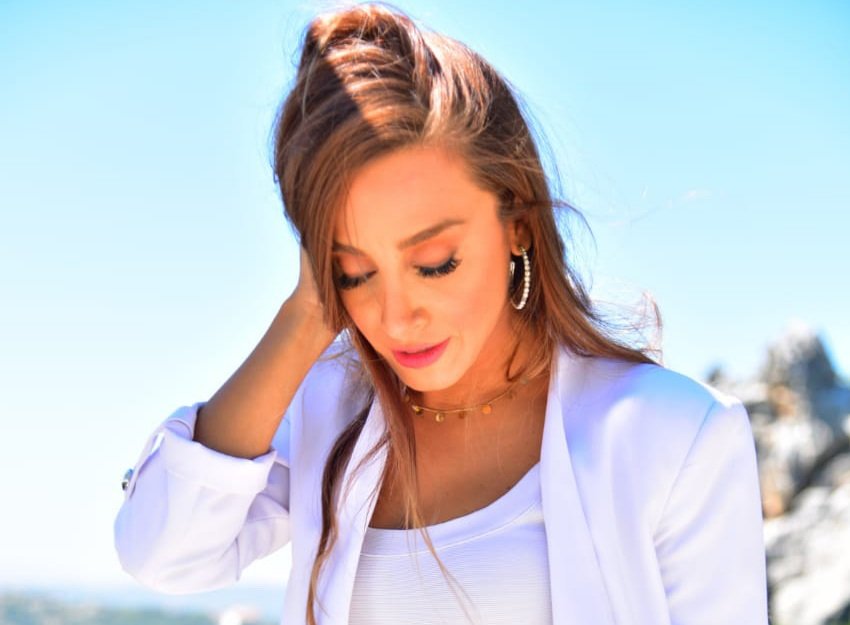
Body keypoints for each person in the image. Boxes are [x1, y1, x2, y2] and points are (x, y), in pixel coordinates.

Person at [113, 4, 769, 625]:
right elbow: (162, 552)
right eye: (355, 272)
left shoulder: (676, 435)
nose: (398, 319)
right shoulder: (327, 408)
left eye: (434, 263)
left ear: (517, 221)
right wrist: (306, 316)